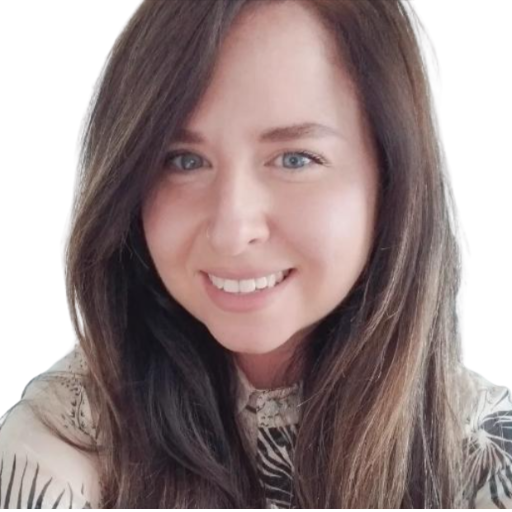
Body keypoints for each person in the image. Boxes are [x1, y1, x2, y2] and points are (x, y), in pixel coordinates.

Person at [0, 0, 511, 508]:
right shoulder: (55, 453)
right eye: (184, 161)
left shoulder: (487, 464)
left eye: (295, 159)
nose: (231, 231)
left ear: (393, 177)